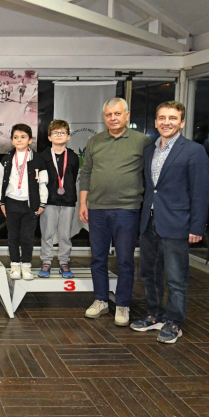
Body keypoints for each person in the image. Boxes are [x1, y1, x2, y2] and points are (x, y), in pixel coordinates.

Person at [130, 101, 209, 343]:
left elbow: (200, 191)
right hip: (149, 222)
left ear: (182, 122)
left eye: (173, 118)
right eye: (162, 118)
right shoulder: (150, 150)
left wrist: (197, 226)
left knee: (176, 278)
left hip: (177, 223)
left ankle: (174, 322)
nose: (167, 122)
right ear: (156, 122)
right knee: (149, 273)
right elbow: (151, 188)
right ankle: (155, 314)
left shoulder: (194, 151)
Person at [79, 97, 152, 326]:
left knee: (125, 260)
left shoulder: (143, 141)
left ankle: (122, 304)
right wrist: (83, 203)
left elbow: (150, 175)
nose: (113, 118)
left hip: (127, 209)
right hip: (97, 209)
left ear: (127, 115)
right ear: (104, 117)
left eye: (117, 114)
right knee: (98, 258)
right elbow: (86, 173)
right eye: (109, 115)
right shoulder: (95, 141)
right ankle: (101, 300)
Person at [0, 124, 48, 280]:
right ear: (12, 140)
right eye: (16, 137)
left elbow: (43, 183)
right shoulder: (6, 159)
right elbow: (0, 181)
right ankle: (14, 266)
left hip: (30, 203)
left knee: (27, 237)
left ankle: (26, 266)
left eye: (23, 137)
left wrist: (42, 203)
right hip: (11, 202)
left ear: (30, 140)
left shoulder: (37, 159)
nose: (19, 140)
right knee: (13, 236)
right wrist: (1, 201)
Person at [39, 120, 79, 278]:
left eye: (62, 132)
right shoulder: (43, 156)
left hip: (68, 201)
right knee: (47, 233)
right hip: (48, 201)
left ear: (68, 136)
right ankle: (46, 261)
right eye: (55, 133)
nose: (59, 135)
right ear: (49, 137)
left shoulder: (73, 156)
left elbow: (73, 176)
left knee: (65, 235)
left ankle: (64, 262)